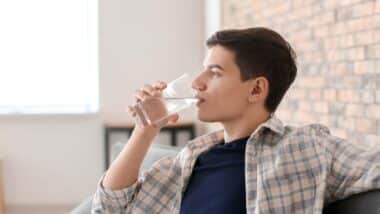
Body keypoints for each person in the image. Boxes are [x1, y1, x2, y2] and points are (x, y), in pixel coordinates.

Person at [91, 27, 380, 213]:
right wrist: (145, 130)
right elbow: (107, 209)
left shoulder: (307, 148)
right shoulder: (189, 160)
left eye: (214, 72)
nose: (197, 82)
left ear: (256, 89)